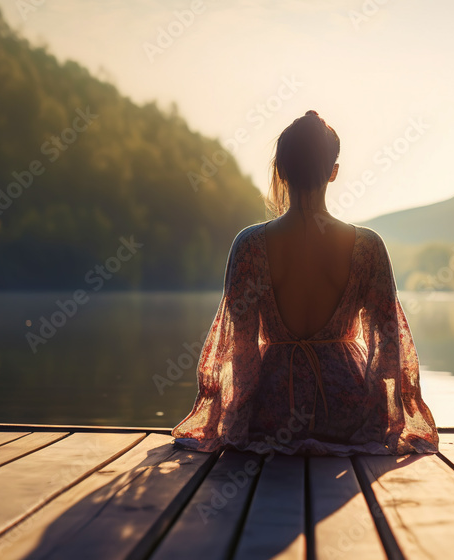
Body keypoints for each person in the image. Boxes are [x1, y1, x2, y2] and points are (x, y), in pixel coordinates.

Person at [172, 110, 438, 456]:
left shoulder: (250, 245)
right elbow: (387, 347)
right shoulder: (367, 246)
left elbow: (241, 351)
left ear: (280, 170)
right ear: (333, 172)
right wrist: (375, 423)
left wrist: (237, 420)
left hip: (274, 411)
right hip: (344, 409)